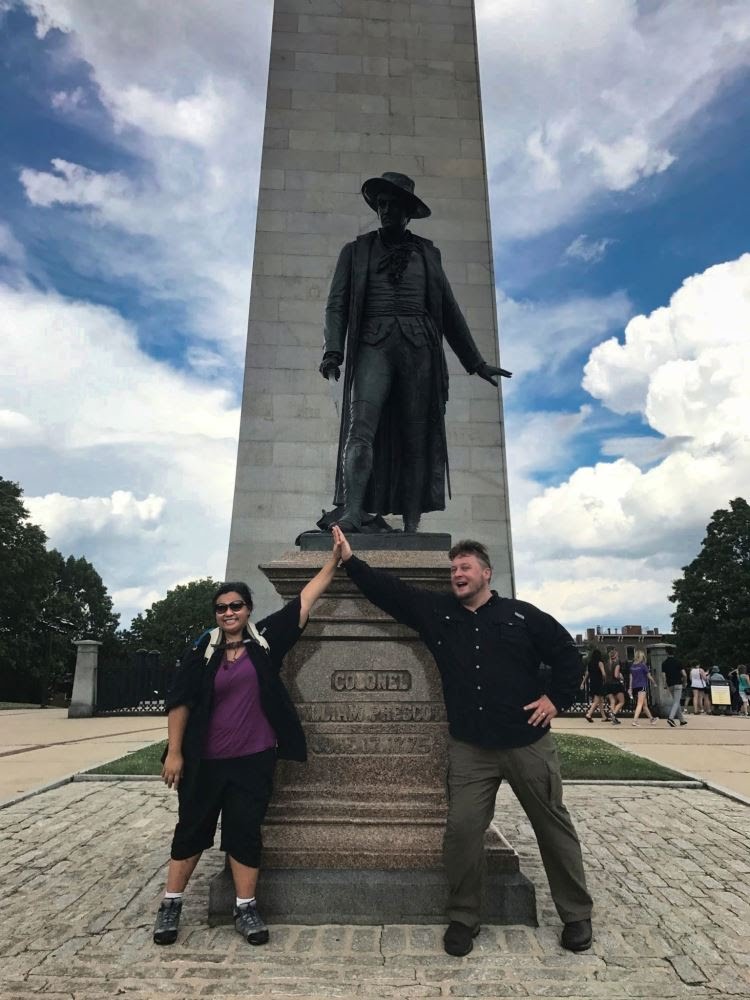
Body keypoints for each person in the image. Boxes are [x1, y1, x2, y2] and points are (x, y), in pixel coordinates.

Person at [331, 525, 593, 955]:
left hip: (526, 742)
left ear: (486, 573)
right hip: (471, 747)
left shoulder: (523, 616)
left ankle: (576, 914)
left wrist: (555, 700)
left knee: (552, 826)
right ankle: (464, 916)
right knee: (463, 831)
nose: (457, 573)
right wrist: (350, 560)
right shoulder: (437, 613)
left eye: (465, 566)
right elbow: (389, 592)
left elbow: (567, 653)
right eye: (453, 568)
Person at [152, 538, 341, 947]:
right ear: (215, 614)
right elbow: (179, 702)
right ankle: (171, 904)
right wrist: (176, 752)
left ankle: (245, 907)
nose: (229, 612)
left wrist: (333, 562)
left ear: (248, 609)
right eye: (221, 608)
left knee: (244, 832)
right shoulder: (203, 648)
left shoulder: (264, 641)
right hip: (205, 761)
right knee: (191, 832)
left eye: (235, 605)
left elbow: (305, 601)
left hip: (252, 760)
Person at [318, 171, 510, 534]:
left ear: (408, 210)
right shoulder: (355, 251)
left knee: (416, 436)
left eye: (393, 204)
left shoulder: (428, 254)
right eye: (381, 204)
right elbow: (336, 305)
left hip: (419, 347)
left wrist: (475, 362)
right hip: (373, 343)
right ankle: (353, 511)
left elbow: (449, 310)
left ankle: (411, 524)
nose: (385, 210)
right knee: (361, 430)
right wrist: (333, 351)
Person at [628, 650, 657, 726]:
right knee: (640, 704)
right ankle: (635, 720)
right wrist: (654, 683)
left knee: (644, 705)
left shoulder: (632, 667)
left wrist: (630, 688)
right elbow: (649, 676)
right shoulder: (643, 666)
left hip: (635, 686)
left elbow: (631, 678)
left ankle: (651, 719)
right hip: (642, 686)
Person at [662, 652, 688, 727]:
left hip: (670, 684)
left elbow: (663, 676)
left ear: (666, 654)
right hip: (678, 683)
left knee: (676, 702)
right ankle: (671, 718)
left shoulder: (664, 663)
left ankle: (682, 720)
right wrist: (685, 682)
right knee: (676, 702)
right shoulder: (678, 662)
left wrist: (665, 684)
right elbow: (684, 674)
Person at [583, 648, 607, 722]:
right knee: (597, 700)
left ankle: (604, 717)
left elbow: (587, 673)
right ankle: (589, 714)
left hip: (592, 682)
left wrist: (583, 682)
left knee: (600, 700)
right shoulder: (600, 663)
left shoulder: (590, 663)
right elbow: (603, 673)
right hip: (598, 682)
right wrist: (605, 679)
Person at [603, 649, 625, 725]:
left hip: (608, 684)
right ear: (615, 656)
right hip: (615, 684)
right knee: (622, 701)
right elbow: (616, 675)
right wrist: (621, 676)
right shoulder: (617, 663)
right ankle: (614, 713)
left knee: (612, 701)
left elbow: (605, 675)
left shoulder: (606, 664)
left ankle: (614, 719)